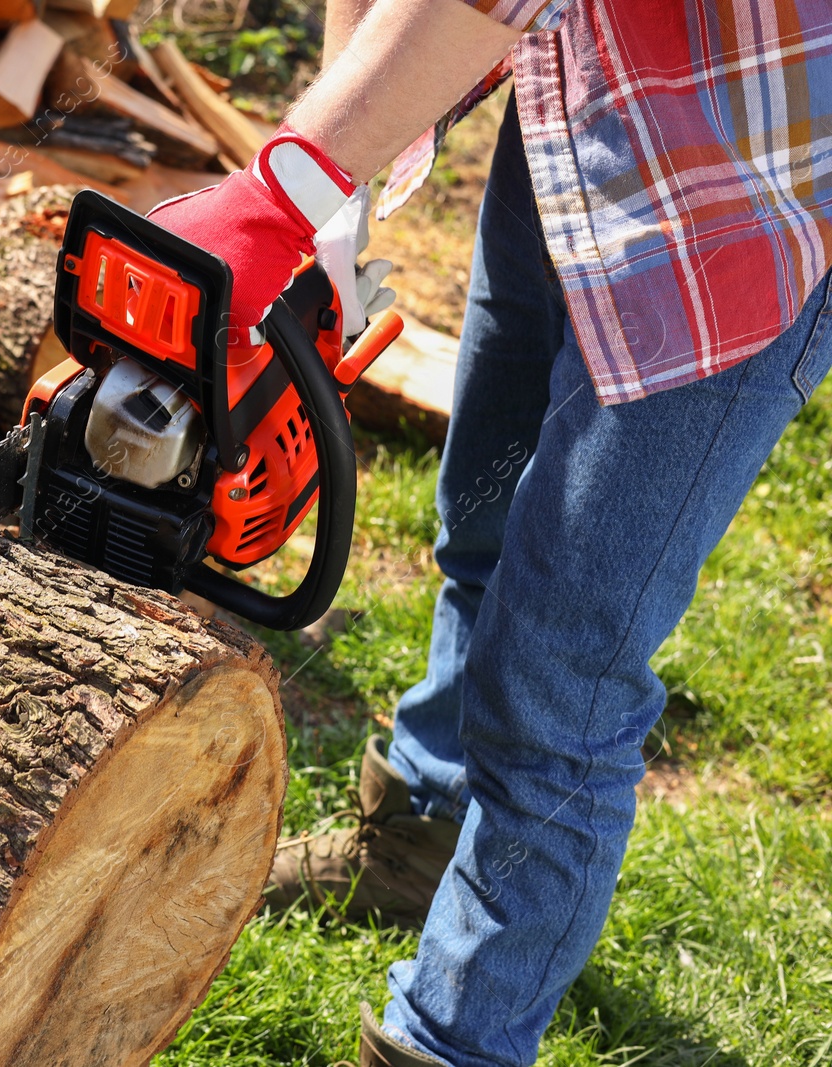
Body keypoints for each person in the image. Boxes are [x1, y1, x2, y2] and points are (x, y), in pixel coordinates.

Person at [148, 1, 832, 1064]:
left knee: (563, 671)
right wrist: (331, 203)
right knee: (482, 526)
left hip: (758, 184)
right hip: (590, 99)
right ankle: (417, 836)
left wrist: (276, 194)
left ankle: (454, 1041)